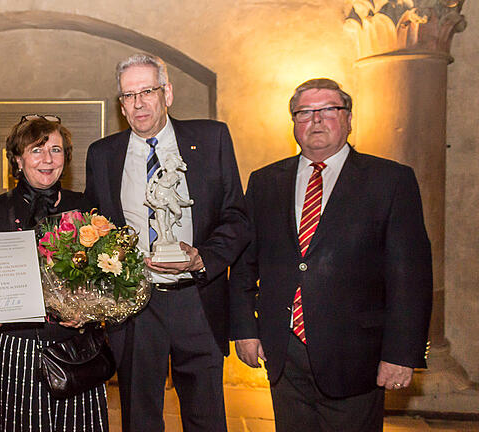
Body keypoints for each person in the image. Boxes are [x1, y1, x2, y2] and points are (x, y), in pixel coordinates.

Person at [229, 78, 433, 432]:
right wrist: (245, 330)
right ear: (294, 123)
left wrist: (401, 354)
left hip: (357, 355)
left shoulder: (390, 180)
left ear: (349, 118)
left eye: (328, 110)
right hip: (284, 352)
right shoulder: (265, 181)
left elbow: (410, 277)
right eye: (305, 113)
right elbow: (245, 265)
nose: (316, 120)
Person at [84, 53, 249, 432]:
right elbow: (97, 228)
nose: (138, 103)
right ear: (120, 104)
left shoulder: (211, 139)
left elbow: (236, 218)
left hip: (198, 299)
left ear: (167, 93)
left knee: (205, 417)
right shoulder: (103, 154)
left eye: (147, 91)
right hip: (138, 305)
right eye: (128, 95)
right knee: (140, 418)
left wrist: (201, 258)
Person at [0, 115, 108, 432]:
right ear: (18, 160)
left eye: (56, 150)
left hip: (73, 348)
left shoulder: (86, 206)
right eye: (37, 150)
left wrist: (88, 312)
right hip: (17, 348)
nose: (48, 159)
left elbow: (103, 277)